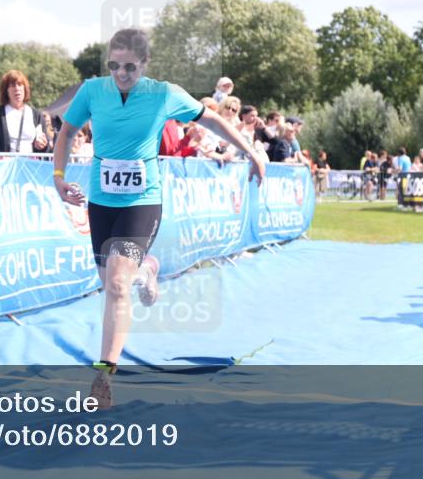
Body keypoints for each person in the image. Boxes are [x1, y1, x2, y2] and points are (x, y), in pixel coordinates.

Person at [51, 28, 264, 408]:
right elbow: (66, 133)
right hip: (101, 201)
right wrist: (59, 179)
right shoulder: (92, 91)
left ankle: (104, 376)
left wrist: (250, 151)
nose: (121, 73)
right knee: (112, 283)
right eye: (114, 66)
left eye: (130, 67)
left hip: (142, 200)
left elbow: (212, 121)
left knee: (116, 285)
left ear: (145, 64)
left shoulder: (164, 93)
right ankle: (148, 268)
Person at [0, 70, 49, 161]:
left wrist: (42, 146)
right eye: (12, 85)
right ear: (6, 91)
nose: (17, 88)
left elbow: (47, 150)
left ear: (25, 88)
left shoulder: (37, 115)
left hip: (30, 168)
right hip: (4, 169)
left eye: (20, 84)